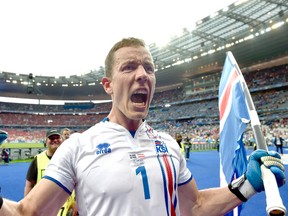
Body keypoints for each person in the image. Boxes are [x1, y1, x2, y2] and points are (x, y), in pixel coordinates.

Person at [0, 37, 285, 215]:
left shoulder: (169, 144)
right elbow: (28, 212)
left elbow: (195, 206)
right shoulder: (78, 146)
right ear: (108, 85)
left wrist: (246, 186)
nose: (143, 75)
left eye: (149, 68)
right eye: (129, 67)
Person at [24, 129, 76, 216]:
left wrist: (77, 203)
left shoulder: (71, 158)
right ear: (46, 142)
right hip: (44, 209)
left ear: (62, 140)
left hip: (68, 210)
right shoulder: (38, 160)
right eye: (51, 138)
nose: (55, 140)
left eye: (57, 137)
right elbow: (29, 185)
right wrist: (27, 207)